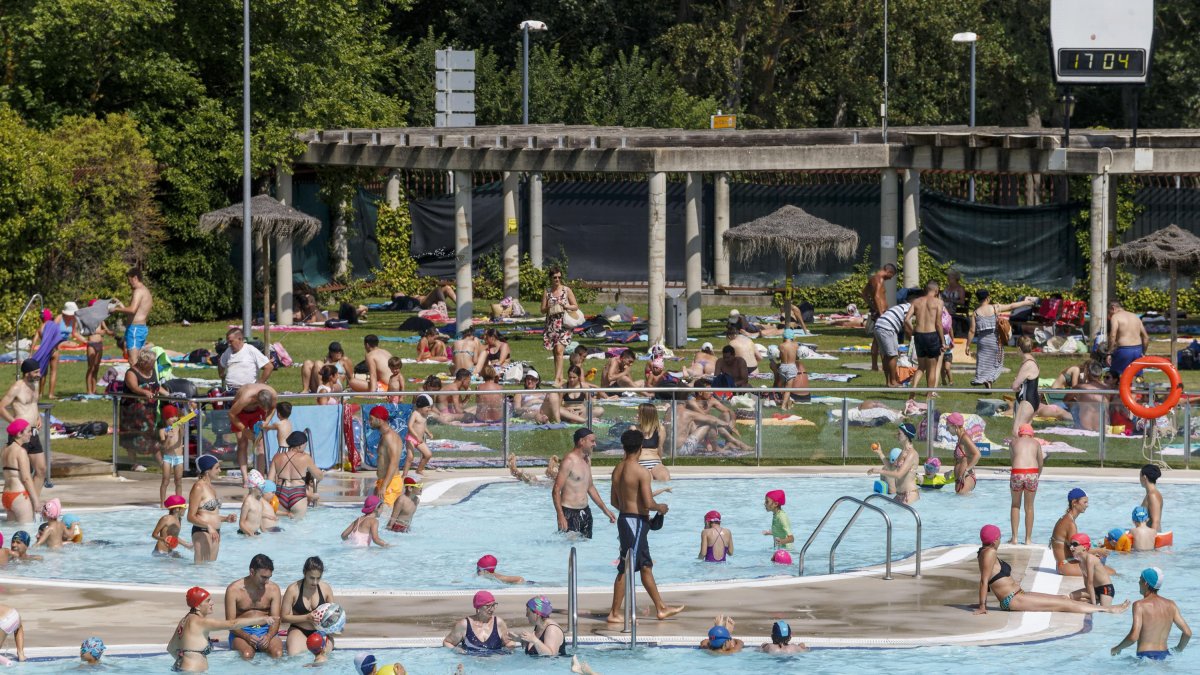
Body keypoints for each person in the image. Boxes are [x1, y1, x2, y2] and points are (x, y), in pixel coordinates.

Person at [605, 429, 684, 623]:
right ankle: (614, 613)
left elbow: (614, 501)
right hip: (635, 522)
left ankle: (661, 608)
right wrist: (661, 508)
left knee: (646, 566)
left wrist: (630, 509)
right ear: (640, 447)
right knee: (626, 567)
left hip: (626, 519)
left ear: (624, 447)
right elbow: (649, 502)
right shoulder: (641, 472)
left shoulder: (617, 469)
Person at [975, 524, 1127, 616]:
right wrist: (982, 606)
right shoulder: (990, 553)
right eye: (999, 537)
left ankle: (1100, 608)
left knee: (1063, 599)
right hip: (1013, 600)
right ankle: (1108, 610)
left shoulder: (985, 552)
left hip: (1018, 595)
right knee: (1064, 605)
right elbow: (984, 580)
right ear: (995, 540)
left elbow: (987, 578)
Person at [168, 586, 262, 672]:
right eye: (208, 601)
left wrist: (186, 660)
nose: (212, 603)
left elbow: (171, 648)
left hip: (182, 668)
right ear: (197, 606)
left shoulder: (184, 620)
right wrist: (261, 620)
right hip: (193, 671)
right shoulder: (201, 622)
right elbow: (232, 624)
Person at [1112, 568, 1192, 660]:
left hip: (1146, 657)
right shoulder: (1171, 605)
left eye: (1140, 579)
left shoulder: (1139, 605)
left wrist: (1116, 648)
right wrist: (1178, 649)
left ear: (1146, 583)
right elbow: (1187, 633)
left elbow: (1133, 637)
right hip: (1165, 656)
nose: (1138, 582)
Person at [552, 428, 616, 539]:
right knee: (570, 546)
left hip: (586, 512)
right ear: (582, 441)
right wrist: (561, 516)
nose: (595, 444)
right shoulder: (569, 461)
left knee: (586, 546)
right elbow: (556, 490)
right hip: (569, 513)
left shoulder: (587, 460)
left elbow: (590, 487)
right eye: (592, 441)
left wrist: (605, 510)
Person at [966, 290, 1036, 388]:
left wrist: (967, 345)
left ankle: (979, 379)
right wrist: (1025, 302)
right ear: (987, 298)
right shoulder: (995, 307)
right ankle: (990, 379)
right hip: (995, 340)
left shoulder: (975, 313)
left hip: (982, 341)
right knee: (997, 362)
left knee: (982, 361)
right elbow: (1011, 306)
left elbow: (971, 331)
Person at [225, 553, 284, 659]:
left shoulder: (273, 589)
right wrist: (247, 637)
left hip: (266, 630)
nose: (267, 582)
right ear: (252, 572)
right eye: (263, 577)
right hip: (242, 631)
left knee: (278, 654)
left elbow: (276, 619)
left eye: (269, 577)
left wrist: (268, 636)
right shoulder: (233, 590)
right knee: (247, 654)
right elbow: (230, 623)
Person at [1011, 336, 1071, 436]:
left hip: (1027, 401)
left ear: (1019, 349)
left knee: (1016, 431)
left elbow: (1015, 385)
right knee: (1025, 432)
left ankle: (1020, 446)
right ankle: (1026, 446)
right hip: (1032, 399)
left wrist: (1015, 383)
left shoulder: (1028, 364)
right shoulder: (1032, 361)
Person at [1, 359, 45, 495]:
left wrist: (38, 416)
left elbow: (33, 404)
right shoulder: (17, 388)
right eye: (36, 372)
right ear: (27, 373)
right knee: (22, 472)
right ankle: (20, 500)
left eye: (39, 371)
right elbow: (1, 407)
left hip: (33, 432)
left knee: (41, 470)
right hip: (20, 434)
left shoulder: (35, 384)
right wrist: (15, 423)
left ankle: (33, 502)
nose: (39, 374)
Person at [281, 556, 335, 656]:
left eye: (318, 578)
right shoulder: (293, 590)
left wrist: (332, 627)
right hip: (299, 630)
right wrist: (306, 617)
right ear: (304, 573)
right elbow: (284, 617)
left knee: (323, 657)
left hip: (320, 631)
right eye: (312, 578)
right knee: (295, 656)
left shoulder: (326, 588)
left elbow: (334, 614)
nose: (315, 582)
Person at [1050, 488, 1110, 577]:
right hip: (1065, 566)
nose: (1087, 505)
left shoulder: (1065, 518)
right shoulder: (1070, 524)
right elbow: (1077, 552)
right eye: (1085, 502)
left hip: (1063, 563)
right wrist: (1098, 551)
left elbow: (1073, 548)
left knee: (1101, 565)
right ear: (1074, 502)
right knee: (1110, 572)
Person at [188, 455, 236, 563]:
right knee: (200, 569)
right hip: (202, 531)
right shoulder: (198, 487)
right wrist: (208, 526)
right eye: (217, 468)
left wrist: (225, 519)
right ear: (207, 470)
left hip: (215, 532)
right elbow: (190, 517)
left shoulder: (211, 488)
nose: (220, 470)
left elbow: (210, 514)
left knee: (211, 569)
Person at [268, 430, 323, 520]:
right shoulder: (305, 458)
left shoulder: (277, 457)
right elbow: (319, 476)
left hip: (281, 493)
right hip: (298, 495)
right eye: (305, 445)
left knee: (281, 524)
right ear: (300, 445)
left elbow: (269, 481)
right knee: (298, 526)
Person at [227, 383, 277, 482]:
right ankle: (245, 478)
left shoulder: (273, 395)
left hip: (257, 413)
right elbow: (231, 414)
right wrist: (244, 430)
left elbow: (273, 409)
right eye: (263, 407)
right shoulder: (246, 398)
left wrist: (266, 422)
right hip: (240, 413)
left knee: (260, 444)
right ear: (256, 400)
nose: (266, 410)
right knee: (242, 443)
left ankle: (260, 478)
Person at [442, 590, 519, 654]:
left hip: (494, 663)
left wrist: (509, 649)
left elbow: (508, 642)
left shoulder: (498, 623)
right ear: (478, 607)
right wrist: (457, 650)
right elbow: (447, 643)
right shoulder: (464, 625)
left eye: (493, 605)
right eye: (488, 606)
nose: (492, 609)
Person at [905, 281, 946, 394]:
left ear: (925, 290)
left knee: (921, 367)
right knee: (932, 368)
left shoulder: (916, 301)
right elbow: (938, 323)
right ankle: (929, 395)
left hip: (919, 335)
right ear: (936, 291)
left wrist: (913, 331)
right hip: (931, 334)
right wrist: (943, 341)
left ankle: (913, 390)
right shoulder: (938, 302)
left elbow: (907, 319)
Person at [542, 266, 579, 385]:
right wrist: (549, 307)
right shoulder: (547, 291)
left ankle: (557, 379)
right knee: (556, 352)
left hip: (564, 324)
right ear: (550, 278)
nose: (557, 279)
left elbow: (575, 306)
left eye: (559, 277)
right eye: (555, 277)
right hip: (551, 324)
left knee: (559, 350)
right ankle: (560, 377)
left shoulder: (566, 290)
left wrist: (565, 306)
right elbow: (542, 310)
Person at [1009, 424, 1044, 545]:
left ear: (1020, 433)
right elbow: (1040, 462)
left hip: (1017, 472)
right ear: (1031, 433)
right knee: (1029, 507)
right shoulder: (1036, 443)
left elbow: (1013, 460)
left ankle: (1014, 538)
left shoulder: (1013, 442)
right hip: (1032, 473)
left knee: (1015, 505)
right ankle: (1028, 539)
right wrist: (1037, 475)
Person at [112, 266, 153, 365]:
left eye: (129, 280)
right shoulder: (145, 290)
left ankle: (137, 376)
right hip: (139, 328)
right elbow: (136, 311)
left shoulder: (138, 291)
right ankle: (141, 375)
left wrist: (116, 309)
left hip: (135, 329)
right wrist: (121, 305)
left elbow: (132, 310)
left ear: (135, 278)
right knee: (139, 359)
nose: (129, 283)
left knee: (133, 360)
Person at [2, 419, 39, 523]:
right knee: (27, 529)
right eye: (28, 431)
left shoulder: (4, 449)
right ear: (19, 433)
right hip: (19, 496)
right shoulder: (21, 452)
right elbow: (26, 478)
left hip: (6, 495)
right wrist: (36, 501)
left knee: (12, 530)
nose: (31, 434)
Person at [862, 263, 897, 372]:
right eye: (891, 276)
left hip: (876, 311)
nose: (890, 278)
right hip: (881, 313)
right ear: (889, 271)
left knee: (876, 340)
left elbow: (864, 294)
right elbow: (877, 296)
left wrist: (872, 306)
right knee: (882, 340)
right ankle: (881, 365)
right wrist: (881, 314)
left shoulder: (872, 279)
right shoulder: (879, 279)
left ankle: (875, 366)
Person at [1068, 534, 1115, 606]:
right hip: (1094, 589)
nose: (1071, 547)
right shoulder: (1081, 561)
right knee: (1072, 596)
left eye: (1075, 544)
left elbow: (1090, 582)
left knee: (1103, 610)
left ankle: (1095, 601)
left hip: (1105, 589)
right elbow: (1086, 581)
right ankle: (1096, 599)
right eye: (1070, 544)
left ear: (1084, 547)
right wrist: (1090, 595)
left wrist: (1093, 605)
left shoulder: (1090, 559)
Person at [1107, 300, 1149, 380]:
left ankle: (1115, 387)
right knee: (1138, 377)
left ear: (1113, 308)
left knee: (1114, 376)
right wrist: (1143, 352)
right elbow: (1146, 337)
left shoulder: (1115, 317)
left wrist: (1109, 352)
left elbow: (1112, 335)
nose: (1109, 315)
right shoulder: (1135, 316)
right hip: (1138, 350)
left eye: (1109, 312)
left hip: (1124, 350)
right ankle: (1139, 387)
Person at [873, 301, 911, 387]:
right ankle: (893, 382)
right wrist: (913, 340)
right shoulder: (909, 309)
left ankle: (888, 382)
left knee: (886, 356)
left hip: (878, 326)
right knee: (893, 356)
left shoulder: (903, 306)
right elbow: (907, 328)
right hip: (887, 328)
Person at [157, 404, 186, 506]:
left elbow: (182, 436)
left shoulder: (179, 427)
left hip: (179, 458)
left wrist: (181, 426)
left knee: (178, 481)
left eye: (175, 416)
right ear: (166, 419)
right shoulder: (162, 431)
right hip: (168, 458)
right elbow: (164, 447)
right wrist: (168, 438)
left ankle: (179, 501)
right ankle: (162, 503)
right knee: (165, 480)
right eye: (171, 417)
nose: (174, 418)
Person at [945, 412, 980, 494]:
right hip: (960, 479)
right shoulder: (960, 438)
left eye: (948, 427)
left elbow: (977, 454)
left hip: (966, 477)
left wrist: (967, 470)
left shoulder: (965, 438)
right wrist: (952, 472)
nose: (947, 429)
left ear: (955, 426)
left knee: (961, 498)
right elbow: (962, 460)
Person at [81, 301, 111, 396]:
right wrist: (99, 332)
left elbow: (105, 329)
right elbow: (85, 331)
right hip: (92, 344)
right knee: (91, 367)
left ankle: (94, 389)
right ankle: (89, 390)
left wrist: (110, 333)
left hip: (99, 344)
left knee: (96, 367)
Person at [636, 403, 671, 481]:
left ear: (646, 415)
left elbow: (660, 448)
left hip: (655, 462)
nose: (636, 415)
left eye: (639, 413)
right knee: (648, 480)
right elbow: (629, 450)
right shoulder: (634, 429)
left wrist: (661, 464)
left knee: (665, 478)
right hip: (639, 462)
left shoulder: (660, 429)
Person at [775, 329, 809, 408]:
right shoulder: (795, 345)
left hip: (782, 366)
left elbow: (778, 358)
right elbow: (797, 357)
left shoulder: (781, 345)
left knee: (781, 385)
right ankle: (783, 406)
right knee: (788, 388)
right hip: (791, 367)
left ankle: (781, 399)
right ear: (792, 337)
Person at [238, 471, 268, 536]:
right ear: (253, 487)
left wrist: (264, 530)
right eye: (261, 487)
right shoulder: (248, 502)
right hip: (246, 533)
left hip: (255, 533)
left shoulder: (259, 501)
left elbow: (259, 518)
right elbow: (241, 523)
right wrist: (250, 533)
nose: (263, 490)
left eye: (264, 487)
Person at [1140, 464, 1163, 532]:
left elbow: (1156, 522)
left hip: (1151, 536)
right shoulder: (1150, 494)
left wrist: (1151, 537)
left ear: (1144, 477)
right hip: (1147, 534)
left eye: (1140, 476)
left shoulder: (1153, 495)